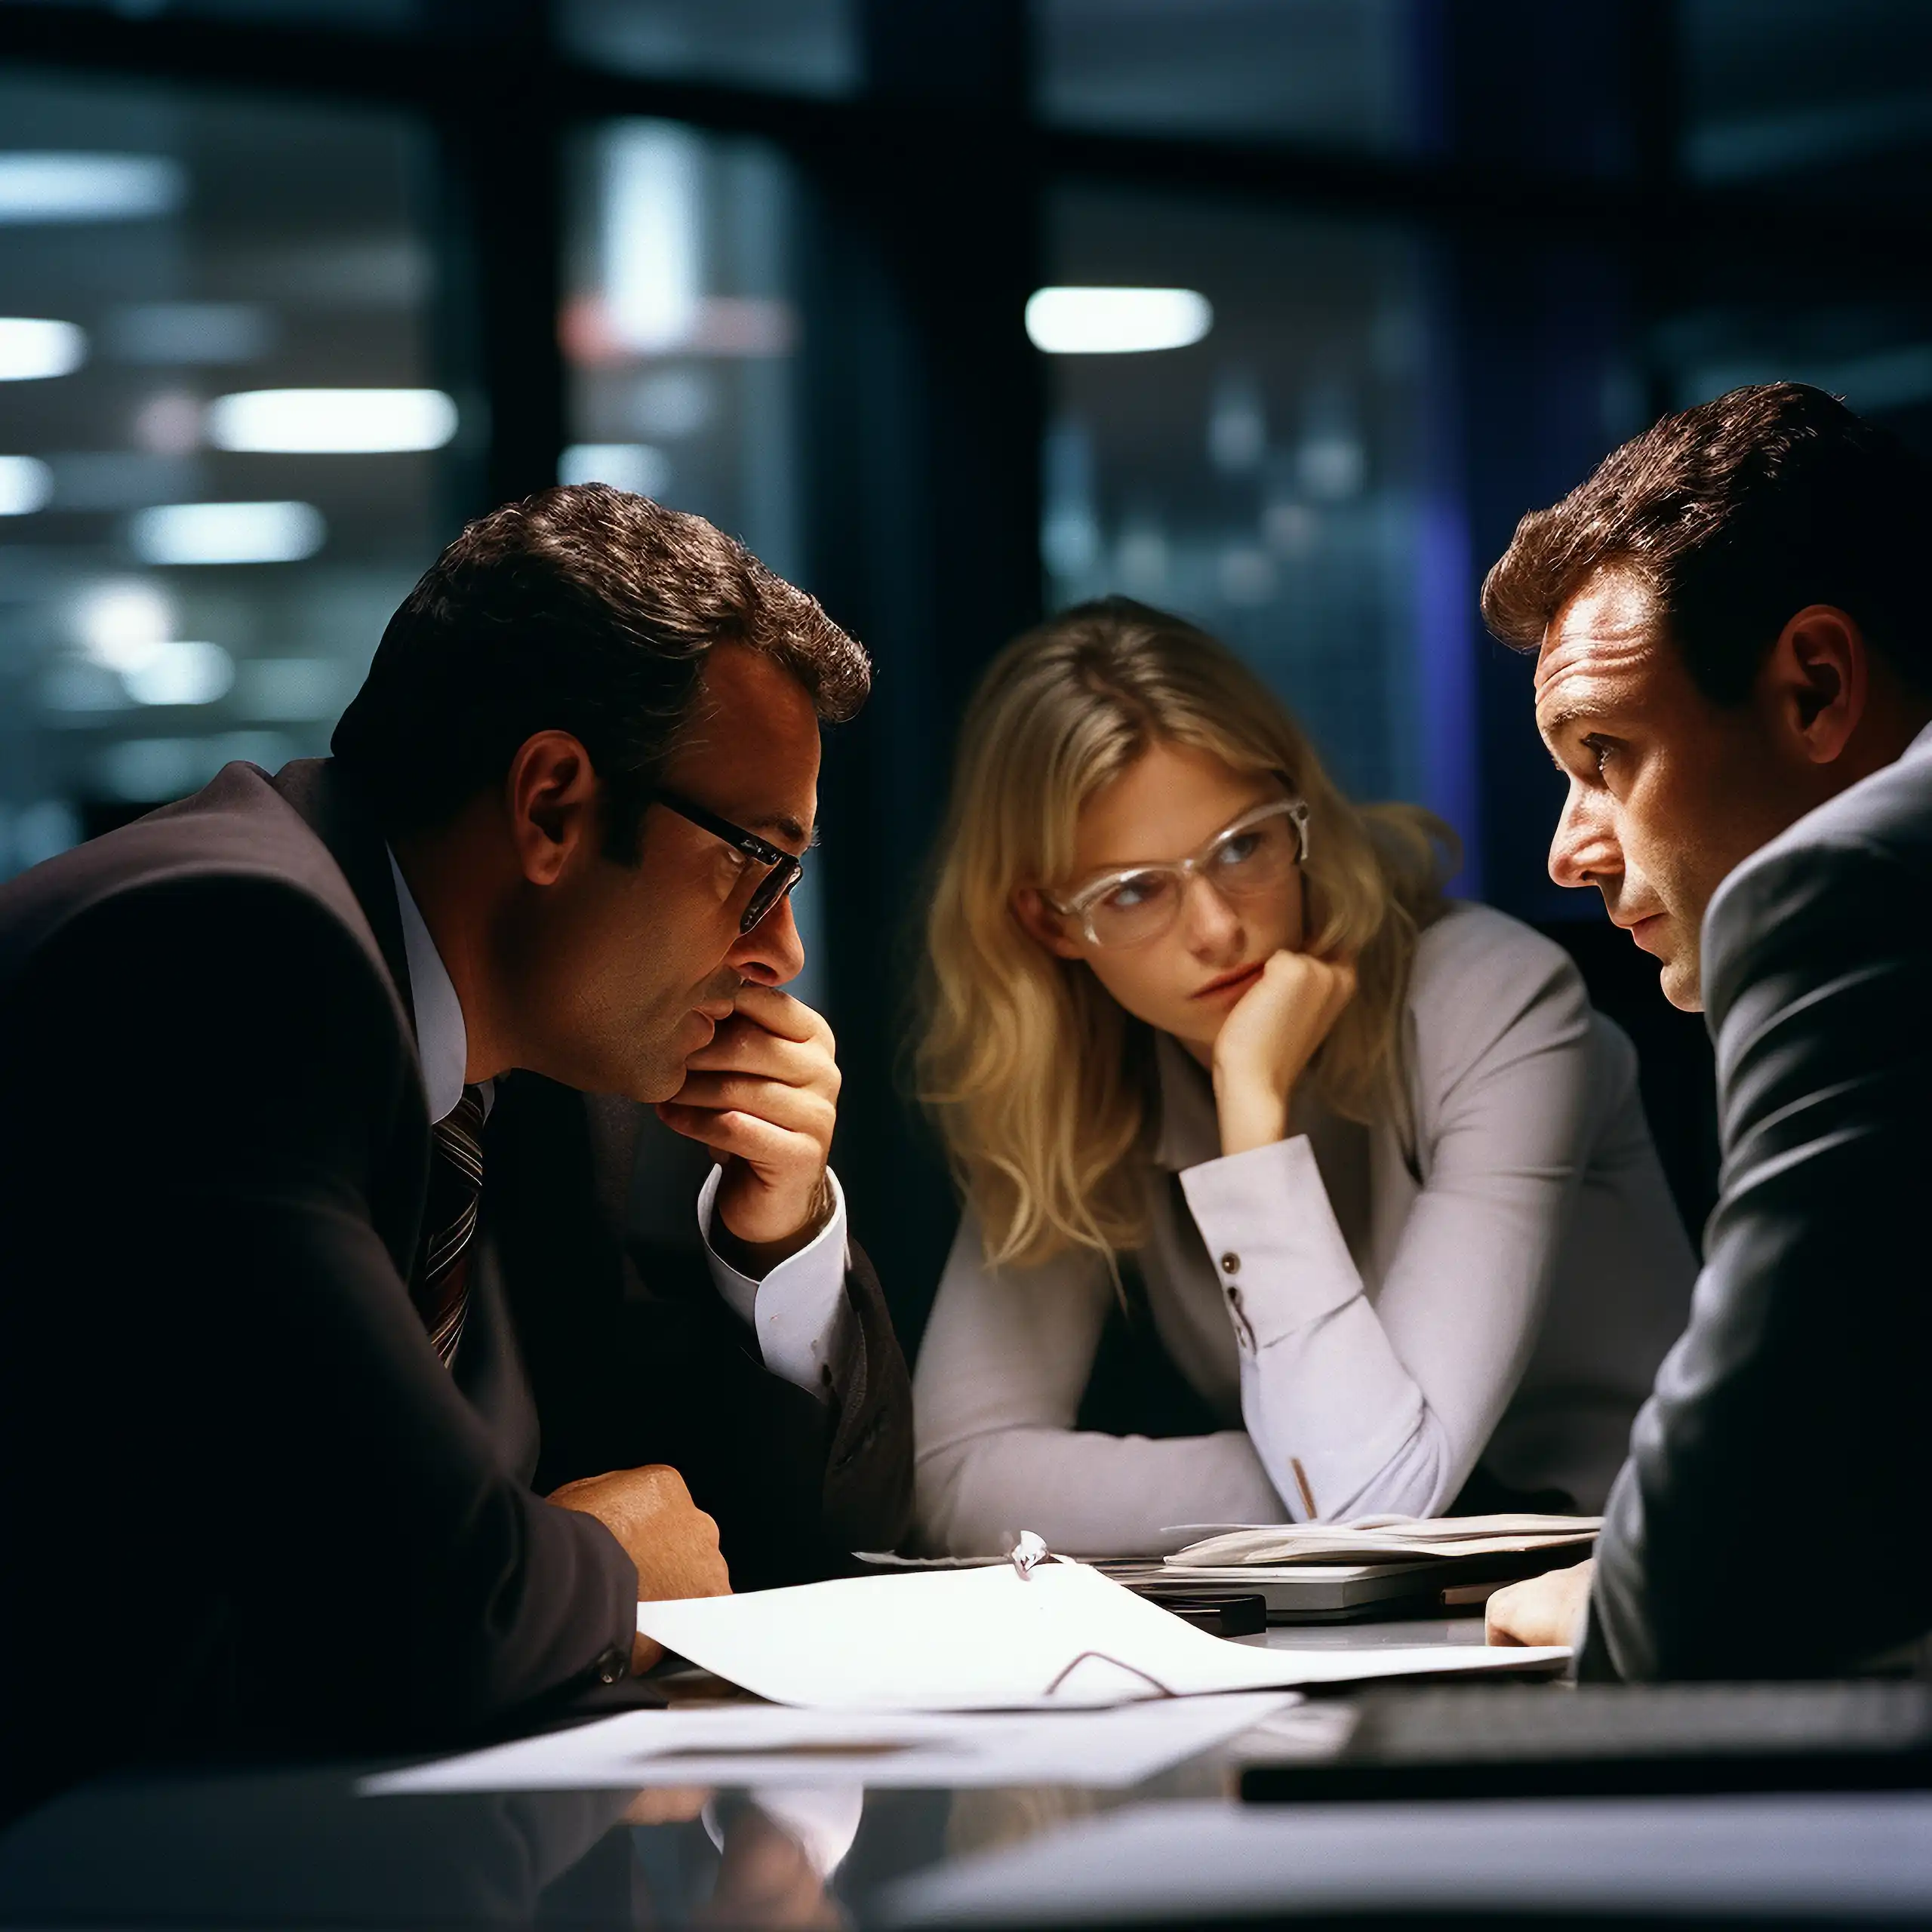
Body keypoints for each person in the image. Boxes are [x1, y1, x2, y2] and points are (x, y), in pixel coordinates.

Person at [0, 485, 912, 1821]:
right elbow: (419, 1602)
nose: (782, 953)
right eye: (756, 867)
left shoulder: (533, 1066)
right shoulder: (225, 954)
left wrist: (770, 1240)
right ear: (551, 804)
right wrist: (603, 1561)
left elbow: (775, 1562)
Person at [909, 597, 1695, 1556]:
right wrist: (1303, 1468)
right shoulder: (1084, 1068)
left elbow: (1368, 1499)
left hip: (1636, 1595)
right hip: (1357, 1625)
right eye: (1135, 891)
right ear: (1048, 922)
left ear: (1301, 817)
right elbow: (952, 1479)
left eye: (1242, 845)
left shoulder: (1499, 1000)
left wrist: (1252, 1116)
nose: (1216, 928)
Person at [1480, 383, 1932, 1677]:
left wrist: (1627, 1582)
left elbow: (1703, 1591)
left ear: (1816, 689)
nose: (1568, 849)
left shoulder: (1855, 891)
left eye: (1606, 754)